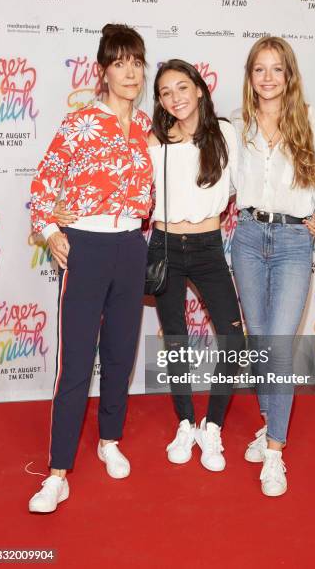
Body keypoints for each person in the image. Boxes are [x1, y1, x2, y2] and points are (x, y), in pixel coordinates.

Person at [56, 59, 245, 472]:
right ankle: (185, 421)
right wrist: (61, 211)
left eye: (182, 87)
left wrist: (304, 216)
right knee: (174, 337)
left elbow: (244, 189)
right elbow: (109, 175)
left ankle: (211, 427)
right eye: (164, 92)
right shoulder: (152, 139)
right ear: (158, 101)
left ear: (199, 89)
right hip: (163, 247)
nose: (175, 98)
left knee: (234, 338)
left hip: (210, 247)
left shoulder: (226, 133)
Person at [28, 24, 153, 513]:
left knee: (121, 355)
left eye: (137, 62)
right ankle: (58, 472)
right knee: (76, 361)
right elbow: (43, 184)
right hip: (86, 246)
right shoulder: (80, 122)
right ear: (103, 71)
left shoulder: (147, 127)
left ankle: (110, 440)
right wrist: (50, 230)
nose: (130, 72)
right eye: (119, 62)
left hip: (131, 245)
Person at [230, 36, 315, 496]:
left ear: (289, 74)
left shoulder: (308, 119)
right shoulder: (236, 124)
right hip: (248, 238)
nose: (269, 77)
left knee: (277, 345)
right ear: (250, 76)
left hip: (297, 239)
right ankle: (268, 424)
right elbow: (222, 183)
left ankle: (275, 450)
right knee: (259, 341)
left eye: (277, 68)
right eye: (260, 68)